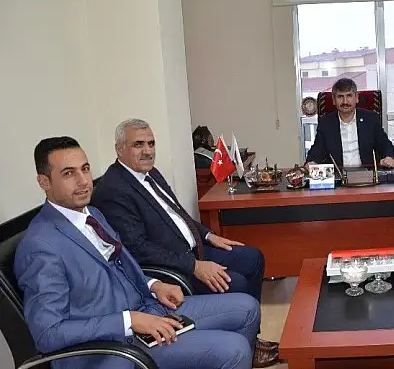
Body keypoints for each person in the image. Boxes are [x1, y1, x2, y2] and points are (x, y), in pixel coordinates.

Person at [15, 136, 261, 369]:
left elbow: (119, 267)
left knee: (247, 308)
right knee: (234, 349)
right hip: (112, 346)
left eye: (85, 169)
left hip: (147, 308)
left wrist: (154, 285)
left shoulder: (92, 215)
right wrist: (129, 321)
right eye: (68, 173)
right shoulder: (41, 245)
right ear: (44, 182)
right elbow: (48, 333)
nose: (83, 181)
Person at [91, 119, 278, 365]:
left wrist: (209, 235)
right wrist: (194, 266)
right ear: (119, 149)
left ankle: (251, 337)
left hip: (193, 248)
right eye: (138, 144)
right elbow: (138, 249)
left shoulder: (150, 173)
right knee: (237, 282)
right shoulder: (113, 190)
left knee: (252, 257)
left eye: (151, 143)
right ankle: (244, 348)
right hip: (173, 266)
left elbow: (178, 214)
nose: (147, 151)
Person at [305, 78, 394, 168]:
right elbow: (317, 150)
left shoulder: (370, 119)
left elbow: (385, 144)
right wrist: (311, 162)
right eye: (340, 96)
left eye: (349, 96)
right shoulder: (326, 123)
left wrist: (389, 157)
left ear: (356, 98)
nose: (345, 101)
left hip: (367, 174)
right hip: (338, 175)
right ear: (333, 100)